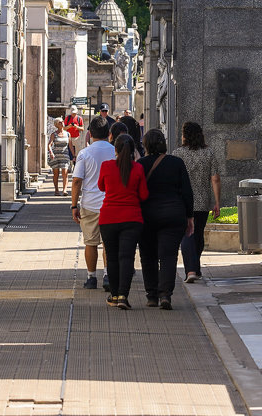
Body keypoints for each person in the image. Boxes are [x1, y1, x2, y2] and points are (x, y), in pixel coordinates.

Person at [137, 129, 193, 310]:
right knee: (168, 256)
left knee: (148, 256)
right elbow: (187, 192)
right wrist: (189, 217)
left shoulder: (141, 164)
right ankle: (165, 295)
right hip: (173, 214)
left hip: (147, 215)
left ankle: (151, 295)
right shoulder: (176, 163)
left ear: (145, 145)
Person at [97, 133, 148, 310]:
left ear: (115, 149)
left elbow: (101, 186)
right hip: (132, 218)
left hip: (108, 217)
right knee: (127, 257)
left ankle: (115, 293)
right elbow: (144, 195)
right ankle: (123, 296)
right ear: (133, 149)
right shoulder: (138, 169)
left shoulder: (106, 166)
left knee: (112, 258)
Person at [71, 117, 115, 290]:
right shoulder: (114, 152)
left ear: (90, 134)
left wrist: (74, 205)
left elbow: (76, 181)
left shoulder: (84, 153)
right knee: (108, 243)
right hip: (110, 203)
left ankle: (91, 277)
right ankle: (107, 275)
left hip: (89, 204)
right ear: (109, 134)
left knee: (90, 242)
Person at [177, 121, 222, 283]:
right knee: (198, 235)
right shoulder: (208, 153)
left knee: (187, 234)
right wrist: (217, 202)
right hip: (203, 202)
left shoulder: (178, 154)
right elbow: (215, 179)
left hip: (183, 202)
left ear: (185, 136)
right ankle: (196, 268)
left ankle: (191, 270)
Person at [46, 117, 72, 195]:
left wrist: (74, 156)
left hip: (65, 155)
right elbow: (49, 144)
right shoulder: (54, 134)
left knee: (65, 172)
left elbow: (70, 145)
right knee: (56, 174)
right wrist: (50, 152)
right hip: (56, 156)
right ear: (57, 124)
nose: (62, 122)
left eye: (62, 121)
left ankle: (64, 190)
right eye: (60, 122)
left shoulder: (67, 134)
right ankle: (56, 190)